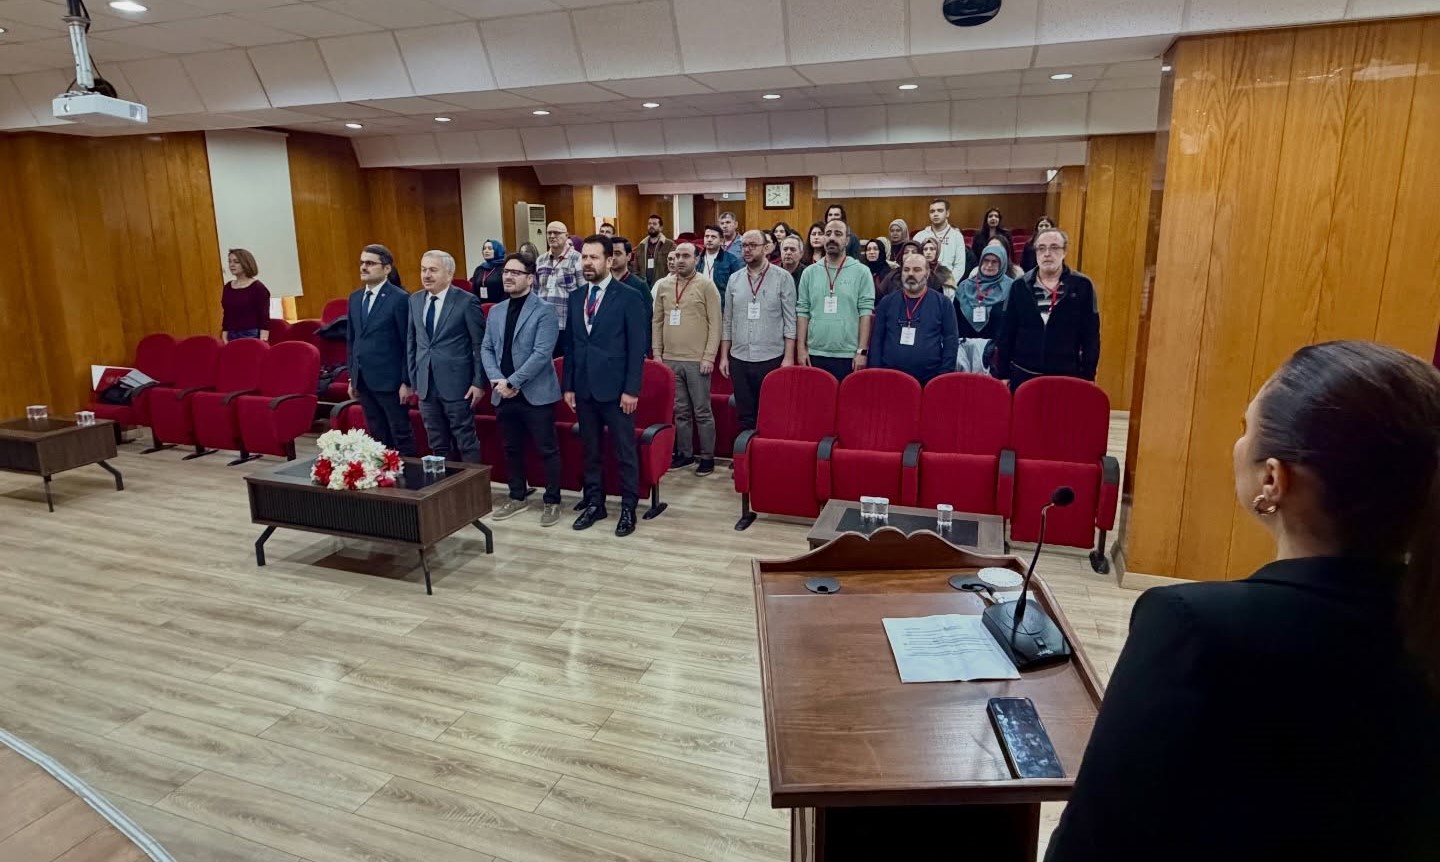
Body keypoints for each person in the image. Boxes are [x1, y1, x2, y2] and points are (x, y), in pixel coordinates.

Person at [1046, 340, 1440, 862]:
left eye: (1244, 426)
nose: (1237, 443)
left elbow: (1093, 843)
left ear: (1272, 479)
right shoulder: (1423, 627)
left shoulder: (1193, 628)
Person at [563, 235, 647, 537]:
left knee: (625, 451)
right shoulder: (576, 297)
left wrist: (632, 390)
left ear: (609, 260)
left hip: (617, 390)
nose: (587, 263)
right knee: (591, 450)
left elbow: (637, 348)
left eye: (594, 257)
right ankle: (595, 503)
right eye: (584, 257)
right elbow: (572, 345)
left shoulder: (628, 297)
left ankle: (628, 507)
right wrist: (568, 385)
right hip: (584, 388)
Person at [480, 253, 563, 528]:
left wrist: (512, 382)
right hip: (502, 392)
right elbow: (486, 348)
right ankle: (517, 495)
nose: (508, 276)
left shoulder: (544, 310)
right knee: (511, 448)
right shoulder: (496, 311)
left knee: (547, 449)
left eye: (515, 273)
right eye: (506, 272)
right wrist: (497, 380)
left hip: (534, 393)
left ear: (530, 279)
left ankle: (552, 500)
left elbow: (542, 354)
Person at [990, 228, 1099, 392]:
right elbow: (1006, 333)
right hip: (1024, 375)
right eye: (1041, 248)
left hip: (1066, 376)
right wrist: (1003, 373)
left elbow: (1091, 337)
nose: (1047, 254)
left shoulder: (1083, 286)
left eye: (1054, 247)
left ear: (1065, 252)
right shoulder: (1019, 286)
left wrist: (1088, 375)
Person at [406, 250, 485, 463]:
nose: (426, 275)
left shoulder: (466, 301)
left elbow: (479, 345)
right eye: (423, 270)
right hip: (426, 385)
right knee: (437, 443)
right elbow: (412, 342)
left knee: (465, 441)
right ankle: (445, 483)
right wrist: (414, 379)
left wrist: (478, 382)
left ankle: (473, 484)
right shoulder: (414, 300)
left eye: (433, 270)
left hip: (458, 384)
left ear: (449, 274)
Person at [652, 242, 723, 476]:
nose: (680, 260)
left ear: (696, 259)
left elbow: (716, 323)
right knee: (680, 409)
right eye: (677, 256)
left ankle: (707, 457)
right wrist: (657, 353)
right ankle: (685, 453)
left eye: (686, 256)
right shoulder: (663, 285)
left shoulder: (706, 285)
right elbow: (657, 321)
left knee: (702, 410)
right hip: (670, 358)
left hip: (697, 359)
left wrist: (709, 356)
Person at [720, 230, 796, 434]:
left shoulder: (783, 277)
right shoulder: (734, 279)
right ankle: (746, 450)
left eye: (753, 245)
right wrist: (724, 356)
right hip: (739, 356)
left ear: (766, 248)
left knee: (771, 412)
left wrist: (789, 357)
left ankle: (767, 451)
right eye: (744, 245)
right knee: (745, 414)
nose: (747, 249)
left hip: (771, 357)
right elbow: (727, 319)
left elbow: (790, 321)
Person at [346, 244, 415, 455]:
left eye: (370, 263)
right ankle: (383, 472)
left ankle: (407, 473)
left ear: (386, 269)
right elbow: (352, 340)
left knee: (400, 434)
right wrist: (352, 377)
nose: (363, 267)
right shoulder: (355, 298)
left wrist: (406, 381)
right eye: (362, 263)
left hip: (391, 381)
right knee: (377, 434)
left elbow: (408, 343)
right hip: (364, 379)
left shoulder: (400, 298)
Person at [796, 220, 874, 382]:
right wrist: (801, 349)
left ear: (847, 240)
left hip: (848, 355)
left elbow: (865, 313)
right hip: (814, 353)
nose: (832, 238)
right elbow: (803, 311)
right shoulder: (809, 272)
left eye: (838, 234)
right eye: (828, 234)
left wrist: (862, 351)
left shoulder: (862, 272)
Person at [868, 253, 958, 386]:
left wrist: (943, 376)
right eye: (906, 270)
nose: (910, 274)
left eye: (917, 270)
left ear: (927, 273)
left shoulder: (943, 303)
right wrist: (876, 372)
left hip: (929, 380)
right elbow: (877, 340)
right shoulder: (887, 302)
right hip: (889, 378)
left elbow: (951, 341)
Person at [955, 244, 1013, 374]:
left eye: (994, 262)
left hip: (996, 356)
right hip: (964, 353)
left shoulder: (1012, 288)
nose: (989, 265)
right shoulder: (964, 287)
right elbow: (955, 321)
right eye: (986, 260)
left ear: (1002, 264)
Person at [536, 221, 581, 358]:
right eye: (549, 233)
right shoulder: (540, 260)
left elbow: (583, 292)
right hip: (544, 323)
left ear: (566, 236)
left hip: (567, 324)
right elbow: (536, 291)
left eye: (556, 233)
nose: (552, 236)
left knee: (565, 363)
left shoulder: (577, 259)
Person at [609, 236, 654, 352]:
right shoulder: (601, 283)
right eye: (610, 253)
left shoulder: (639, 285)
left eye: (618, 253)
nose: (613, 257)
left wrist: (643, 350)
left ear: (628, 256)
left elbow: (646, 321)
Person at [912, 198, 974, 277]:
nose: (935, 214)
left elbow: (959, 266)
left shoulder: (956, 236)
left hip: (948, 280)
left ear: (947, 213)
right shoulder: (919, 236)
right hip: (924, 280)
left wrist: (949, 283)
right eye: (932, 211)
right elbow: (914, 262)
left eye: (940, 210)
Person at [221, 248, 270, 342]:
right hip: (231, 334)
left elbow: (264, 317)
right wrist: (224, 335)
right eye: (230, 261)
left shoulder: (258, 288)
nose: (231, 265)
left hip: (251, 334)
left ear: (246, 263)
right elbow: (227, 314)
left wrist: (262, 341)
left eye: (236, 262)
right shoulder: (228, 287)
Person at [697, 224, 741, 301]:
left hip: (721, 302)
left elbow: (737, 286)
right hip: (700, 301)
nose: (709, 239)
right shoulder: (697, 259)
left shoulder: (731, 260)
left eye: (713, 237)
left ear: (721, 241)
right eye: (707, 236)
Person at [636, 214, 676, 288]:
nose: (651, 226)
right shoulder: (641, 246)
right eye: (649, 224)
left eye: (654, 224)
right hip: (644, 286)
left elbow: (673, 267)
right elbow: (636, 268)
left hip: (663, 285)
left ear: (661, 228)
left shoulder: (670, 244)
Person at [468, 238, 507, 303]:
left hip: (500, 305)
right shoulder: (480, 269)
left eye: (490, 248)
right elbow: (474, 291)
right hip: (481, 306)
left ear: (497, 250)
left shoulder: (504, 268)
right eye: (484, 248)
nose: (486, 251)